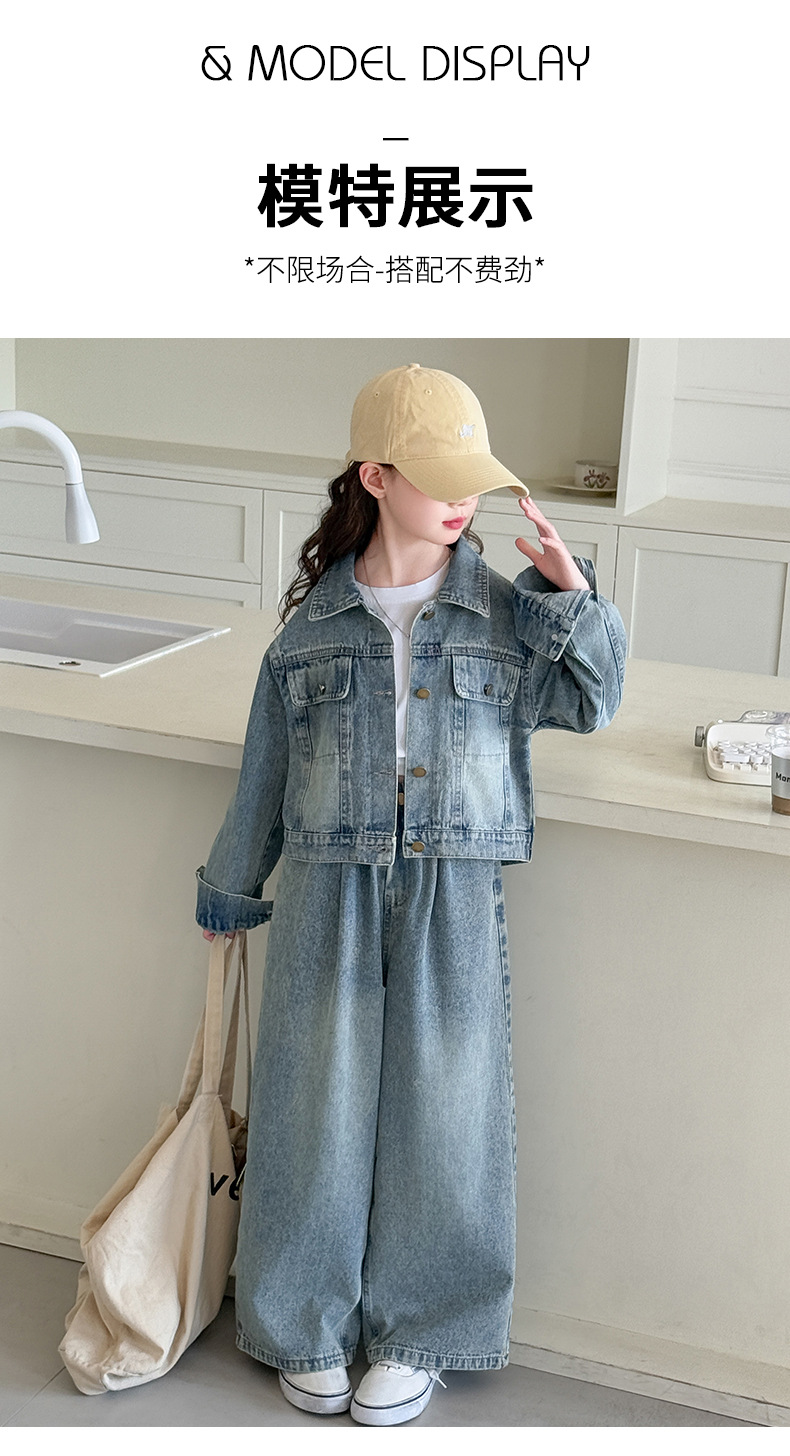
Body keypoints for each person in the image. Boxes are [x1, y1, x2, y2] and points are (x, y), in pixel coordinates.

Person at [196, 362, 627, 1426]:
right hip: (326, 888)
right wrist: (230, 886)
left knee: (449, 1111)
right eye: (439, 475)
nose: (462, 498)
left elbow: (595, 701)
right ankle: (301, 1321)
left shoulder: (507, 613)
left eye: (472, 477)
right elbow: (265, 773)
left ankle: (423, 1330)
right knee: (312, 1108)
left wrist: (570, 594)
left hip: (453, 886)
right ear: (376, 476)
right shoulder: (310, 630)